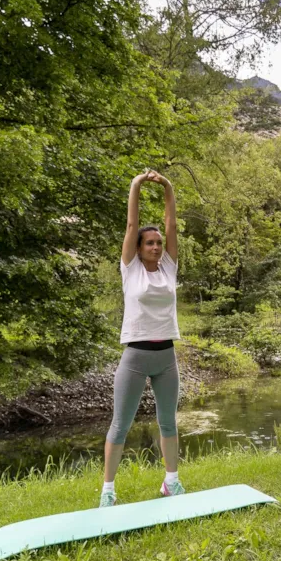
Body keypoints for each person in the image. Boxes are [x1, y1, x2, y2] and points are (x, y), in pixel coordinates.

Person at [100, 169, 185, 507]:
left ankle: (171, 482)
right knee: (120, 424)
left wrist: (167, 187)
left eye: (158, 243)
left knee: (168, 421)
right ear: (138, 248)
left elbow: (172, 226)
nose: (155, 246)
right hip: (134, 357)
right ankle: (108, 490)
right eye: (149, 243)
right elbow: (131, 225)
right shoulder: (130, 269)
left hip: (166, 357)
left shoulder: (168, 268)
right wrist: (136, 184)